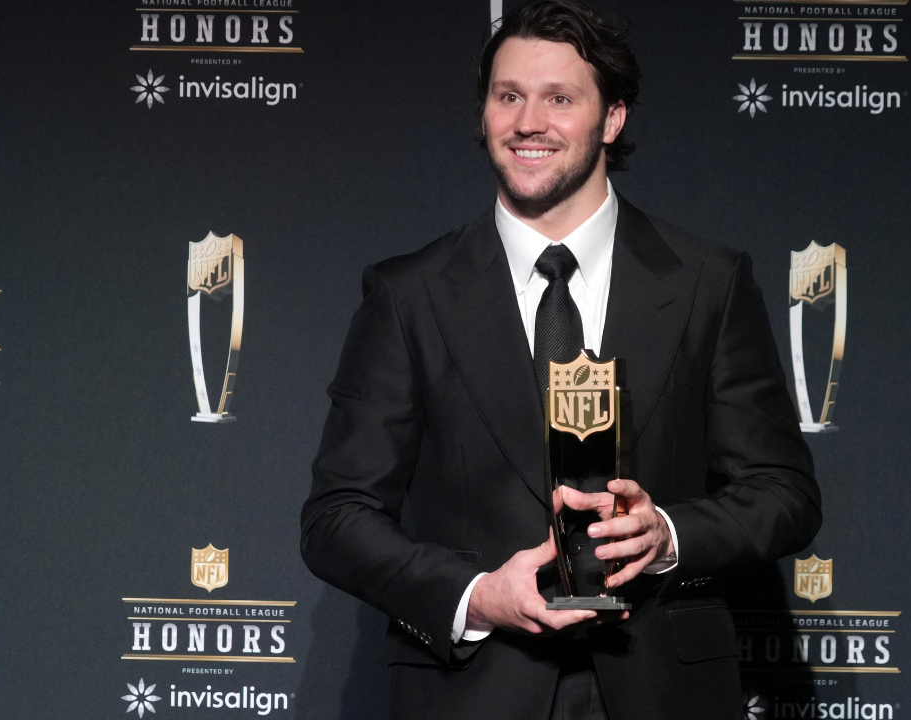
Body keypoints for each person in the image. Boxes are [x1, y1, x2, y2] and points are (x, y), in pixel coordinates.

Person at [300, 2, 820, 718]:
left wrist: (666, 534)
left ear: (612, 119)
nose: (527, 122)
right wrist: (477, 594)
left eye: (560, 99)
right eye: (507, 96)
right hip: (472, 689)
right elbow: (337, 517)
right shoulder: (408, 295)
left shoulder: (708, 282)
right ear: (483, 114)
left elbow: (783, 494)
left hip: (663, 688)